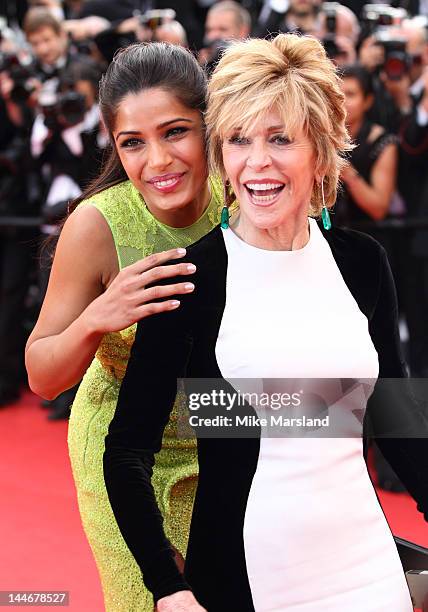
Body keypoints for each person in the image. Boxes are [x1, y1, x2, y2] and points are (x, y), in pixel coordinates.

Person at [103, 34, 428, 611]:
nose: (257, 162)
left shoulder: (361, 262)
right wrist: (168, 586)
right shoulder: (189, 280)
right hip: (246, 577)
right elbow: (127, 450)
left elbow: (395, 413)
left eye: (281, 139)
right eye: (238, 139)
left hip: (366, 564)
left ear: (321, 152)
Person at [25, 42, 225, 611]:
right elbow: (42, 375)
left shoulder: (244, 198)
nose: (156, 162)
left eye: (175, 132)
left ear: (210, 126)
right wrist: (96, 319)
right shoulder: (95, 227)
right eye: (132, 142)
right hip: (120, 448)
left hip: (222, 436)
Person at [336, 64, 398, 226]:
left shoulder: (383, 142)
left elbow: (378, 209)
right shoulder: (319, 134)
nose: (342, 101)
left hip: (367, 234)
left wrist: (345, 171)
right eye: (337, 94)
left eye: (350, 94)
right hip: (322, 235)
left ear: (368, 101)